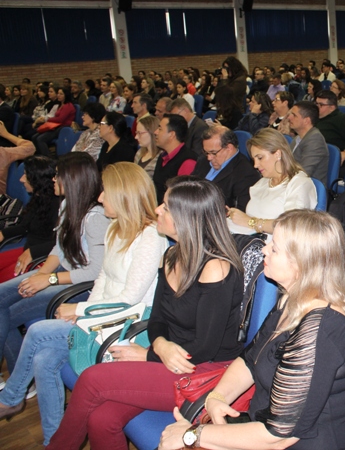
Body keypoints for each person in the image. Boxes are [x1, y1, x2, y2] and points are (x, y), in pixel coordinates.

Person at [45, 177, 245, 450]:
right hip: (172, 357)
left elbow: (205, 347)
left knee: (92, 380)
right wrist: (160, 346)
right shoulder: (171, 255)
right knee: (102, 419)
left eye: (166, 207)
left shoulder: (215, 268)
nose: (158, 210)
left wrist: (150, 355)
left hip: (205, 370)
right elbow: (158, 319)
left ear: (187, 218)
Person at [158, 209, 345, 450]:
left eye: (274, 248)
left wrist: (193, 435)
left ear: (301, 264)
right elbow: (250, 359)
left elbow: (277, 437)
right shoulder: (292, 300)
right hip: (261, 428)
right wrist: (217, 396)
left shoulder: (320, 332)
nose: (264, 249)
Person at [0, 163, 168, 443]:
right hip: (101, 318)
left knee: (38, 331)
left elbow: (130, 299)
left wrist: (80, 310)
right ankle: (52, 440)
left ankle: (11, 399)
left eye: (105, 192)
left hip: (126, 324)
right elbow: (102, 279)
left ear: (123, 195)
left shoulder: (150, 237)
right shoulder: (115, 228)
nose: (99, 198)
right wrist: (85, 313)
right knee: (43, 359)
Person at [0, 152, 110, 381]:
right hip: (61, 274)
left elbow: (95, 272)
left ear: (72, 179)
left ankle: (20, 379)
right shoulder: (67, 204)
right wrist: (39, 276)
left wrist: (48, 280)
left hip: (80, 286)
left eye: (58, 175)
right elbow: (58, 249)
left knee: (6, 313)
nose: (53, 179)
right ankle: (21, 376)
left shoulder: (96, 217)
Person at [228, 129, 317, 239]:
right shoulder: (263, 182)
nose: (255, 165)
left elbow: (291, 227)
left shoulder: (299, 183)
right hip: (251, 240)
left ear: (278, 154)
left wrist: (250, 222)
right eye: (254, 159)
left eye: (260, 158)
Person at [0, 156, 59, 284]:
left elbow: (61, 243)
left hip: (43, 256)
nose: (21, 179)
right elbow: (25, 226)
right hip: (29, 249)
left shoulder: (57, 205)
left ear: (37, 179)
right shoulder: (39, 197)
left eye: (26, 176)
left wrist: (33, 252)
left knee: (4, 280)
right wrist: (3, 233)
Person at [193, 125, 260, 210]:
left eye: (213, 153)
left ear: (229, 148)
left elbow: (239, 211)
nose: (209, 158)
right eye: (206, 152)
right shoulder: (203, 160)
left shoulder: (246, 174)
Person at [152, 114, 198, 204]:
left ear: (171, 134)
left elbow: (183, 199)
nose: (155, 132)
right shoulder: (163, 156)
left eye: (160, 129)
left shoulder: (187, 161)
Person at [287, 101, 328, 187]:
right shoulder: (298, 138)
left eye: (294, 115)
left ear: (306, 121)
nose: (289, 117)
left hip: (307, 188)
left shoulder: (315, 140)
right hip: (294, 183)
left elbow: (304, 172)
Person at [31, 87, 75, 157]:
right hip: (55, 125)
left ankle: (47, 158)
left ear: (66, 95)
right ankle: (39, 156)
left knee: (40, 139)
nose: (58, 95)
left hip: (62, 127)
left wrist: (48, 119)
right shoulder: (60, 105)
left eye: (61, 94)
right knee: (34, 137)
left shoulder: (68, 106)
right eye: (58, 93)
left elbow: (60, 119)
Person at [0, 120, 36, 194]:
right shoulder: (3, 153)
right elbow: (30, 148)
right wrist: (6, 134)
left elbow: (30, 148)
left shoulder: (3, 153)